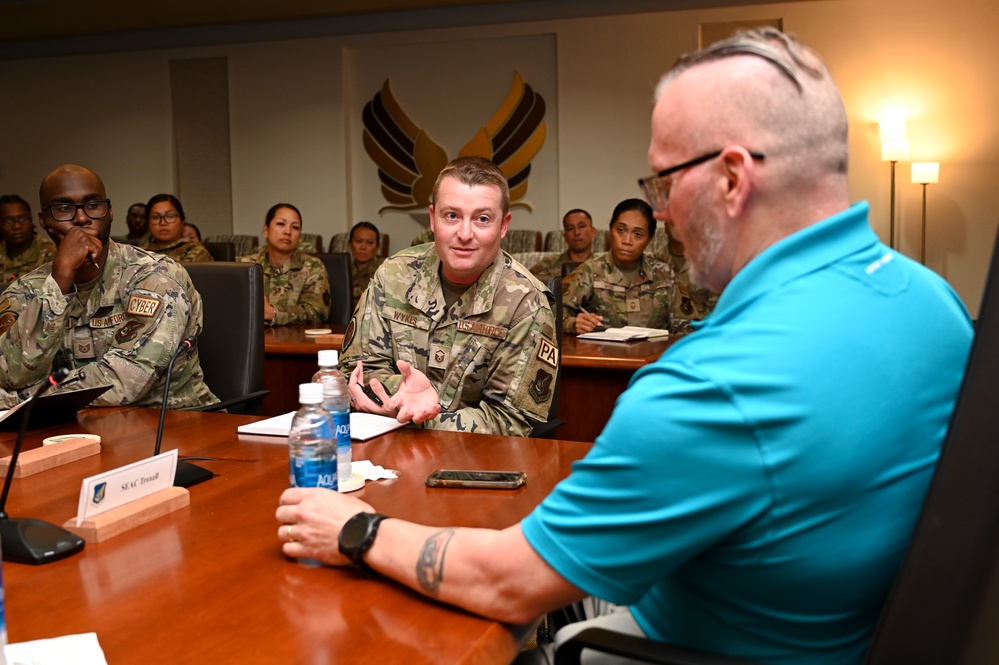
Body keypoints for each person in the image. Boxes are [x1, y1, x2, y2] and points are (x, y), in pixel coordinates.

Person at [274, 29, 973, 665]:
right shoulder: (933, 302)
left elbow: (508, 580)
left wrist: (358, 529)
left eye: (662, 182)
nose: (658, 211)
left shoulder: (709, 384)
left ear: (730, 178)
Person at [340, 155, 558, 436]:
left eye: (482, 219)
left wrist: (424, 416)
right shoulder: (394, 275)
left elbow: (511, 422)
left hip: (474, 464)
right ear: (433, 219)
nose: (464, 234)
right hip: (384, 447)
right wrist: (402, 395)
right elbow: (356, 370)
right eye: (452, 216)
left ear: (503, 226)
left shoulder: (525, 303)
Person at [0, 164, 219, 408]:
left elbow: (125, 379)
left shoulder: (155, 276)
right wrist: (59, 282)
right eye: (64, 208)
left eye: (93, 206)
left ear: (110, 212)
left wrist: (21, 401)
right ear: (44, 220)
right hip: (74, 428)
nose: (82, 218)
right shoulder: (25, 290)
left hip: (175, 424)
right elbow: (10, 373)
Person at [562, 198, 688, 335]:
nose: (627, 241)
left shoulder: (664, 274)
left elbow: (687, 326)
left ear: (650, 239)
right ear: (611, 230)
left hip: (655, 354)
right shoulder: (590, 270)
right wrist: (573, 323)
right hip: (602, 353)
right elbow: (552, 310)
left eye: (638, 234)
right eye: (621, 230)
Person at [239, 203, 331, 326]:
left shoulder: (312, 267)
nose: (287, 231)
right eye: (281, 224)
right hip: (253, 338)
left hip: (296, 340)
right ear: (266, 230)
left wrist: (274, 313)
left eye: (295, 227)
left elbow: (316, 313)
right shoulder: (247, 266)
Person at [0, 194, 55, 286]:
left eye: (22, 219)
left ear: (31, 221)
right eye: (9, 221)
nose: (17, 226)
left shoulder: (52, 253)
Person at [139, 194, 213, 262]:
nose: (163, 223)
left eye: (170, 216)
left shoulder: (195, 251)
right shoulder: (138, 253)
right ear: (148, 222)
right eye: (155, 217)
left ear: (182, 221)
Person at [529, 209, 597, 282]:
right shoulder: (549, 263)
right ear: (565, 236)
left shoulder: (602, 265)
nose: (577, 232)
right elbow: (528, 282)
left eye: (581, 226)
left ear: (593, 231)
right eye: (570, 228)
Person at [347, 221, 385, 309]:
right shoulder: (343, 270)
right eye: (358, 241)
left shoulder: (386, 269)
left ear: (377, 247)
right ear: (350, 244)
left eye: (370, 243)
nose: (363, 247)